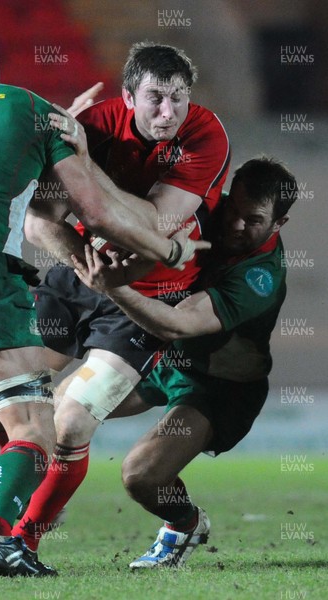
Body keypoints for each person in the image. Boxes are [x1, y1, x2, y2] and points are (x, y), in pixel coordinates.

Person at [0, 33, 199, 578]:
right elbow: (93, 212)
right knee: (36, 426)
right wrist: (168, 247)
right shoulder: (27, 106)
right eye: (155, 99)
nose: (166, 111)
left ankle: (13, 520)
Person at [0, 41, 230, 552]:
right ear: (128, 96)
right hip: (80, 275)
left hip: (147, 293)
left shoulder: (205, 133)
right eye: (155, 97)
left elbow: (155, 224)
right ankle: (37, 480)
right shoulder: (92, 124)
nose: (168, 111)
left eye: (178, 97)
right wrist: (81, 260)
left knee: (69, 421)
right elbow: (40, 222)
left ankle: (21, 545)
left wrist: (83, 165)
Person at [72, 157, 298, 569]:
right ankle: (10, 499)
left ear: (278, 224)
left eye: (254, 220)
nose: (235, 225)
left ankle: (185, 523)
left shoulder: (259, 277)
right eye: (233, 209)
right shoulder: (206, 211)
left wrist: (113, 286)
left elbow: (178, 324)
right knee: (61, 416)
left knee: (142, 475)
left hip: (218, 388)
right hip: (162, 359)